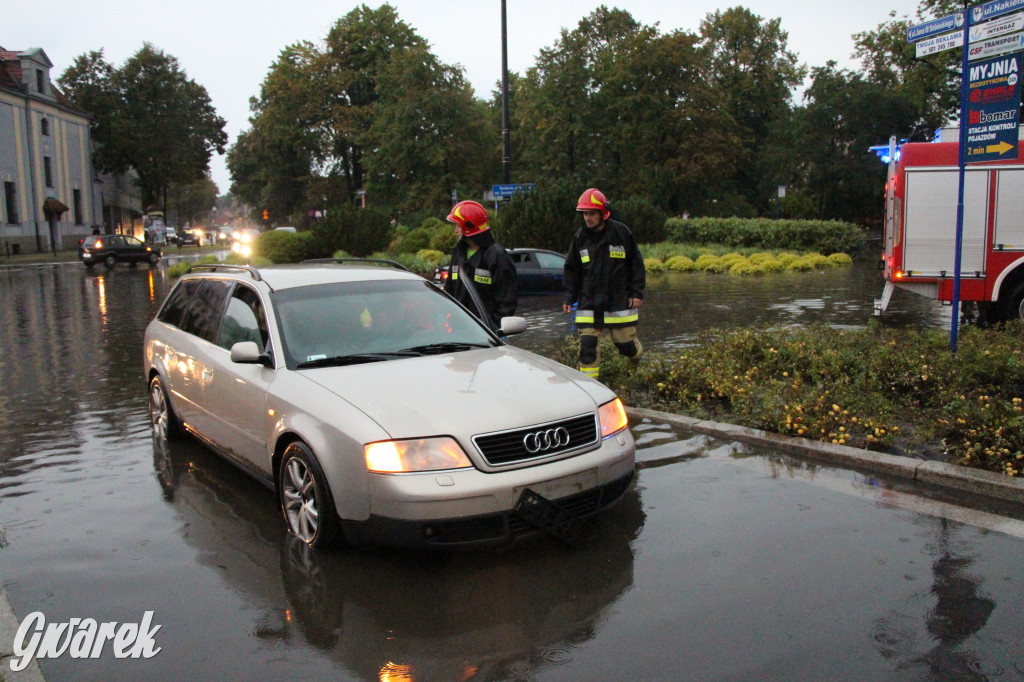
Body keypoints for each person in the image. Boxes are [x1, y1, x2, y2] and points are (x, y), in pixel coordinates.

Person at [562, 188, 646, 380]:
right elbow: (572, 269)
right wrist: (569, 296)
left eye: (591, 213)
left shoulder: (621, 233)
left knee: (626, 346)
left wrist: (636, 292)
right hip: (589, 302)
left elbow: (636, 264)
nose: (587, 218)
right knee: (587, 348)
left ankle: (634, 359)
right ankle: (592, 390)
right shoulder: (580, 238)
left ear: (603, 213)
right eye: (584, 214)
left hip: (618, 301)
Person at [443, 200, 518, 331]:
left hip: (487, 333)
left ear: (468, 227)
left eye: (458, 226)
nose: (455, 230)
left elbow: (507, 301)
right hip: (459, 330)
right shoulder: (458, 252)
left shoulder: (497, 256)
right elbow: (450, 290)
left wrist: (492, 329)